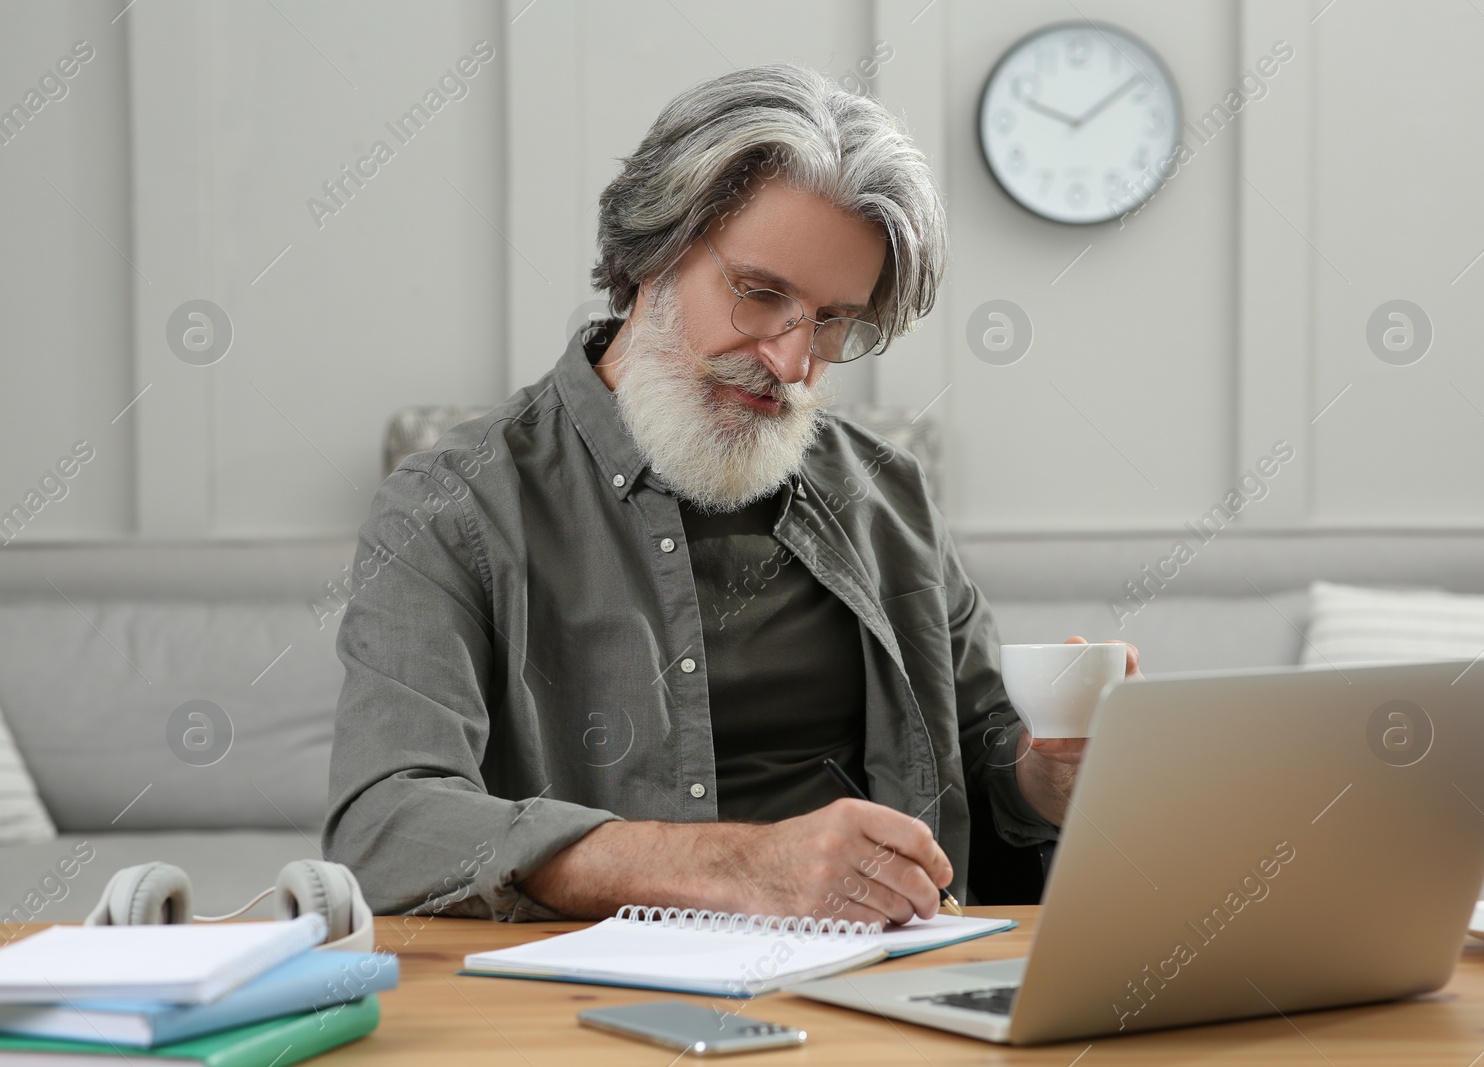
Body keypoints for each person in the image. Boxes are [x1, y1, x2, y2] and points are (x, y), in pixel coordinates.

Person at [322, 63, 1138, 928]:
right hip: (592, 1005)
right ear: (653, 253)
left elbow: (978, 754)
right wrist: (741, 867)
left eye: (833, 322)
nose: (793, 363)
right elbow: (387, 825)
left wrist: (1045, 777)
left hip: (882, 981)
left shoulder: (885, 491)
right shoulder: (452, 506)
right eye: (760, 295)